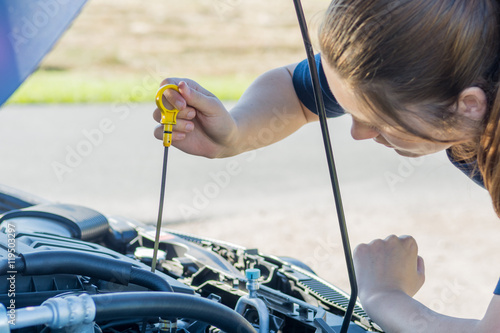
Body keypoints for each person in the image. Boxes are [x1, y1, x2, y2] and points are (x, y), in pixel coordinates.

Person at [153, 0, 500, 331]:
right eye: (351, 110)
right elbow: (297, 90)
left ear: (469, 105)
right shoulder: (432, 53)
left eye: (377, 120)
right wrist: (233, 133)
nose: (357, 133)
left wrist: (384, 295)